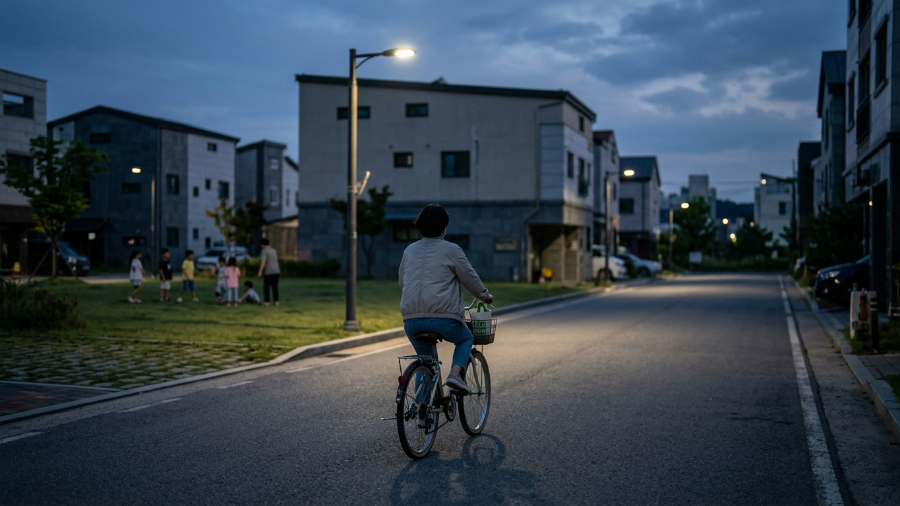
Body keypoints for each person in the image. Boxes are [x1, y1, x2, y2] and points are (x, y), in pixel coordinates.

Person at [398, 203, 492, 394]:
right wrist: (484, 296)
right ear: (444, 227)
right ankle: (455, 375)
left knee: (426, 362)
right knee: (466, 338)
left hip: (411, 320)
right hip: (444, 320)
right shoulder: (452, 250)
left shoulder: (409, 250)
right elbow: (470, 278)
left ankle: (421, 407)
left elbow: (402, 282)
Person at [257, 237, 280, 306]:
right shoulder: (274, 250)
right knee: (275, 287)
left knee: (266, 287)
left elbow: (263, 262)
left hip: (269, 271)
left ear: (263, 244)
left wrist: (260, 271)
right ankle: (276, 302)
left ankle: (266, 302)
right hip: (276, 271)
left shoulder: (264, 251)